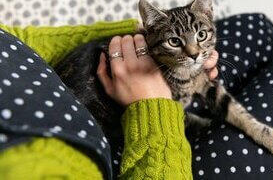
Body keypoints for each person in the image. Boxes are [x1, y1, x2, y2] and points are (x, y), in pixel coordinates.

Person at [0, 19, 218, 179]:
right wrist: (152, 105)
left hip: (75, 81)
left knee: (247, 26)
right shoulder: (26, 168)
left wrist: (143, 36)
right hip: (131, 147)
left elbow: (18, 39)